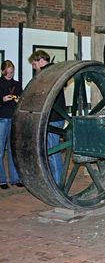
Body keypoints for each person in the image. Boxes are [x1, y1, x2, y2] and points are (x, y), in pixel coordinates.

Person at [28, 50, 65, 185]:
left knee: (52, 150)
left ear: (41, 61)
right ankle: (54, 180)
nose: (33, 67)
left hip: (52, 118)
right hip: (56, 117)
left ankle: (56, 183)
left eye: (34, 64)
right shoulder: (56, 72)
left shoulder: (48, 74)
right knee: (51, 149)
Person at [0, 60, 23, 189]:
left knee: (12, 150)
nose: (10, 74)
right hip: (2, 118)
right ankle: (2, 180)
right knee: (0, 151)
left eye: (12, 72)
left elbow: (21, 97)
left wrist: (18, 100)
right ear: (3, 71)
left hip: (13, 117)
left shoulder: (17, 84)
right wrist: (2, 99)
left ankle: (15, 178)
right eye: (8, 72)